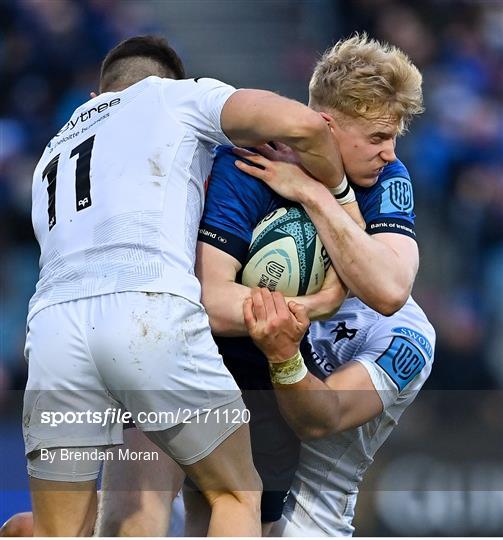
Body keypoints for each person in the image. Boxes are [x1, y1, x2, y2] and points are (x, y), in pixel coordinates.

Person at [23, 33, 348, 537]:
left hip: (53, 334)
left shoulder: (53, 147)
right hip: (146, 311)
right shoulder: (174, 96)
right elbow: (304, 125)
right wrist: (335, 193)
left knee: (58, 531)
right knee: (237, 492)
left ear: (97, 95)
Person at [243, 285, 435, 536]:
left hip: (302, 525)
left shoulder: (408, 334)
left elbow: (319, 421)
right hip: (204, 497)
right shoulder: (275, 269)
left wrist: (284, 356)